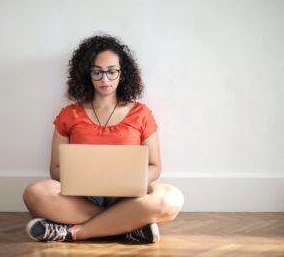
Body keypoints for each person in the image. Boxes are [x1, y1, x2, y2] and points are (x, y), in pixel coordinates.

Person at [23, 34, 185, 243]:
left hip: (128, 197)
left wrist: (128, 182)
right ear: (87, 75)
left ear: (122, 73)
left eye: (111, 72)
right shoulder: (69, 114)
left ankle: (72, 232)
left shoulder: (141, 113)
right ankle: (128, 227)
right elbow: (55, 169)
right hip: (82, 198)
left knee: (171, 198)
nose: (105, 79)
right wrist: (85, 179)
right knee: (35, 193)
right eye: (97, 72)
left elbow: (155, 166)